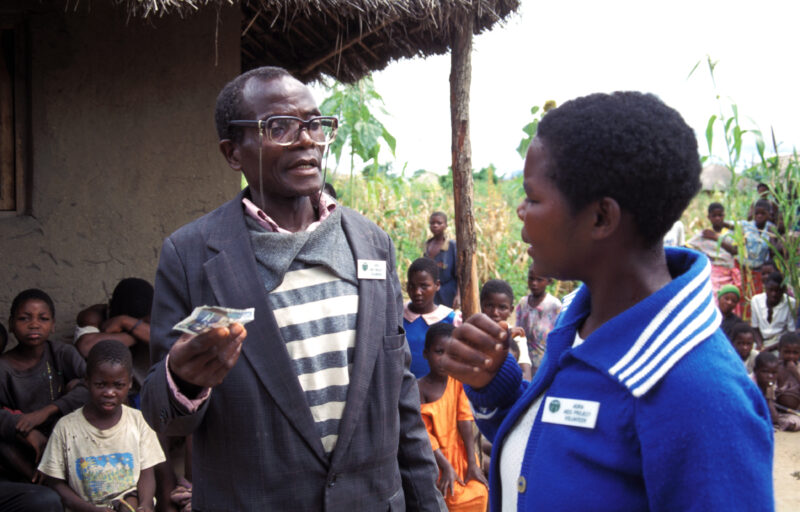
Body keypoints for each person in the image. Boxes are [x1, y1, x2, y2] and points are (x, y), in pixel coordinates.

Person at [440, 92, 773, 511]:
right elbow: (555, 447)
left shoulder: (704, 397)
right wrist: (496, 387)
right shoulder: (581, 323)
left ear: (601, 218)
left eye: (534, 198)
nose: (521, 211)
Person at [139, 66, 444, 510]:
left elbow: (400, 396)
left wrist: (427, 503)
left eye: (315, 124)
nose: (306, 139)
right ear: (233, 153)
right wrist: (183, 379)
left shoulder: (372, 243)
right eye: (278, 126)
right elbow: (158, 412)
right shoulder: (191, 255)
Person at [37, 339, 165, 511]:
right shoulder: (66, 428)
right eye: (100, 385)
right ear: (87, 382)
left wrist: (146, 504)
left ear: (130, 384)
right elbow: (55, 482)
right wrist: (90, 509)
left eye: (118, 385)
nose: (109, 392)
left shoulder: (139, 421)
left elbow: (147, 473)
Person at [0, 289, 88, 482]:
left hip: (62, 436)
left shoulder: (62, 353)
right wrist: (25, 430)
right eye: (24, 319)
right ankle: (41, 482)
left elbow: (91, 386)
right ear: (11, 324)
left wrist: (47, 411)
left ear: (53, 325)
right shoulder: (4, 367)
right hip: (24, 443)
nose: (34, 325)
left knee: (76, 385)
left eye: (43, 319)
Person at [418, 323, 488, 511]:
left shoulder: (458, 381)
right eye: (439, 352)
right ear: (426, 353)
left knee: (481, 491)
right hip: (436, 459)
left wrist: (473, 464)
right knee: (454, 499)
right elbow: (425, 435)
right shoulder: (419, 388)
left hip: (461, 454)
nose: (444, 360)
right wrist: (446, 466)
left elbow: (465, 420)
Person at [404, 257, 461, 378]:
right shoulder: (398, 316)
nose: (417, 292)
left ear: (437, 285)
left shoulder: (451, 320)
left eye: (424, 286)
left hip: (440, 393)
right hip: (402, 390)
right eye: (412, 286)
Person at [686, 202, 740, 303]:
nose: (717, 218)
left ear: (724, 216)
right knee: (715, 300)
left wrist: (715, 237)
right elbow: (688, 246)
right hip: (714, 274)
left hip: (729, 273)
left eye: (720, 215)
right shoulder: (704, 234)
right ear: (709, 217)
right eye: (714, 216)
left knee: (729, 300)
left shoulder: (730, 233)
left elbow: (734, 251)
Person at [479, 279, 531, 380]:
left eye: (502, 308)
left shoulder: (517, 336)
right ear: (481, 305)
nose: (495, 312)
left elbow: (526, 376)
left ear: (511, 310)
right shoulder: (474, 331)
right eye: (489, 305)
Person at [514, 264, 561, 373]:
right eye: (531, 279)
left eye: (539, 280)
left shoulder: (554, 306)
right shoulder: (523, 303)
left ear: (548, 281)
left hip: (543, 366)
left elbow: (558, 337)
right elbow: (517, 333)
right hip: (522, 362)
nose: (534, 283)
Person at [752, 351, 800, 431]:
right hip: (750, 413)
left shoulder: (770, 384)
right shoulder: (749, 384)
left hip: (771, 413)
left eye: (774, 373)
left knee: (795, 422)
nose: (770, 376)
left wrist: (769, 400)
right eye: (765, 372)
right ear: (755, 370)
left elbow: (773, 415)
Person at [751, 271, 796, 351]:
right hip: (760, 342)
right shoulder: (756, 300)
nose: (773, 294)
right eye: (770, 290)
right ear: (765, 288)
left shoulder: (790, 303)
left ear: (783, 290)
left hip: (779, 344)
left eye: (777, 291)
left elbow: (790, 333)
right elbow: (755, 328)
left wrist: (769, 349)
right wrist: (760, 345)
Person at [423, 212, 460, 309]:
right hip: (431, 292)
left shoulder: (452, 246)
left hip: (448, 292)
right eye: (432, 223)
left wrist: (458, 295)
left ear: (446, 225)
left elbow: (459, 274)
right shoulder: (428, 245)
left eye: (439, 223)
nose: (435, 225)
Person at [776, 332, 800, 412]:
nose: (791, 356)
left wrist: (795, 373)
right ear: (779, 350)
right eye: (787, 352)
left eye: (795, 353)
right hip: (777, 408)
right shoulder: (775, 367)